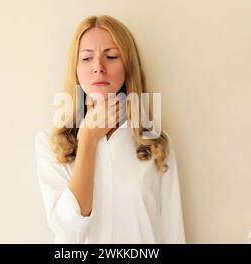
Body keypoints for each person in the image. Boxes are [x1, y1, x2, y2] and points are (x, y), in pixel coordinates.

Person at [35, 15, 186, 244]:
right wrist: (87, 138)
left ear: (128, 66)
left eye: (111, 56)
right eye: (86, 58)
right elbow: (68, 232)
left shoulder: (156, 144)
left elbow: (172, 232)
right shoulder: (50, 144)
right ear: (76, 69)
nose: (98, 67)